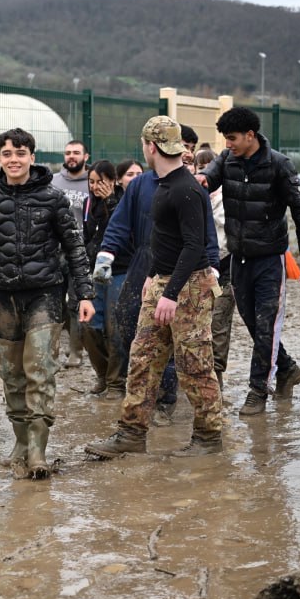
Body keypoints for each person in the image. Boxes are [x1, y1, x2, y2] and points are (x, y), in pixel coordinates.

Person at [86, 117, 224, 458]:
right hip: (162, 281)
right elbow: (162, 240)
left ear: (150, 146)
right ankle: (131, 433)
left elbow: (194, 246)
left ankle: (208, 438)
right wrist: (153, 274)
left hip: (189, 287)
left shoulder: (186, 189)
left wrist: (171, 293)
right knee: (143, 359)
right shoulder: (160, 184)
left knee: (194, 365)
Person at [0, 128, 94, 480]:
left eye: (20, 153)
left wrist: (84, 294)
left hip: (45, 295)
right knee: (11, 374)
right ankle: (20, 442)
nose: (14, 160)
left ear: (32, 157)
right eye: (7, 154)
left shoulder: (53, 199)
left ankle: (37, 450)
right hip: (4, 296)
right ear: (0, 158)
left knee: (40, 369)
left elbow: (75, 248)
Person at [200, 106, 300, 417]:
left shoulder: (279, 165)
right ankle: (287, 369)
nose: (228, 144)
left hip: (269, 259)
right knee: (254, 324)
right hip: (238, 258)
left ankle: (258, 391)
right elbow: (208, 177)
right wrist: (198, 178)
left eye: (232, 138)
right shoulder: (227, 159)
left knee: (267, 325)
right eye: (225, 139)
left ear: (250, 135)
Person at [81, 160, 128, 400]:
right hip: (94, 273)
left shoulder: (124, 202)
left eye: (101, 181)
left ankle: (117, 382)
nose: (95, 186)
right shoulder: (88, 203)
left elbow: (122, 232)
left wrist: (110, 202)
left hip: (120, 270)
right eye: (91, 182)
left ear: (113, 181)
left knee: (116, 328)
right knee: (88, 326)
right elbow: (87, 236)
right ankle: (102, 373)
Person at [194, 147, 235, 391]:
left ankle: (216, 374)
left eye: (210, 168)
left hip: (225, 268)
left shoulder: (227, 197)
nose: (205, 174)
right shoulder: (193, 195)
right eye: (201, 168)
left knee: (218, 323)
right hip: (197, 269)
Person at [52, 139, 91, 368]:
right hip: (54, 252)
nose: (71, 156)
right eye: (68, 153)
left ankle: (76, 351)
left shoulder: (92, 182)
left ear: (86, 157)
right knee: (56, 303)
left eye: (76, 152)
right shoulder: (54, 182)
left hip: (80, 251)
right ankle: (65, 344)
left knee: (76, 303)